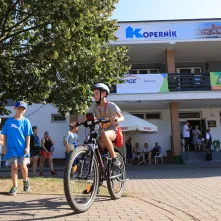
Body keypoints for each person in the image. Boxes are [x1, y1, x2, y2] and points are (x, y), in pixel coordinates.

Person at [78, 83, 124, 167]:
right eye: (93, 94)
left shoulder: (111, 105)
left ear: (103, 94)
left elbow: (122, 117)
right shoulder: (94, 107)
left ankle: (114, 158)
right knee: (88, 140)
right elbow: (86, 117)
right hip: (101, 132)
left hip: (113, 132)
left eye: (96, 93)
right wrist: (77, 123)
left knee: (104, 134)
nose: (94, 96)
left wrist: (116, 119)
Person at [1, 101, 33, 195]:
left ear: (25, 110)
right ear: (15, 108)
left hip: (22, 148)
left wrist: (27, 147)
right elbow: (5, 134)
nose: (21, 110)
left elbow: (28, 135)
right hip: (11, 148)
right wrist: (4, 146)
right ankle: (15, 186)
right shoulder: (9, 121)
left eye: (23, 109)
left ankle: (26, 180)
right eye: (19, 108)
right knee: (14, 167)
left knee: (23, 166)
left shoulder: (26, 121)